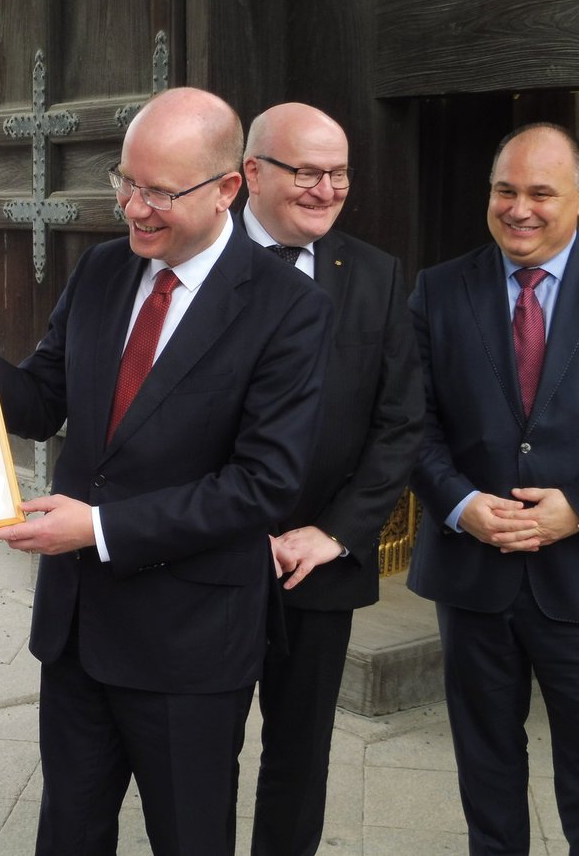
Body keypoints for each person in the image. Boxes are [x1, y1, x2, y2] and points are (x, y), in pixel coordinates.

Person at [0, 87, 334, 856]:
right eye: (126, 183)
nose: (135, 208)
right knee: (68, 834)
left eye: (161, 192)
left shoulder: (288, 307)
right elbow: (43, 398)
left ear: (228, 188)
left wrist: (99, 528)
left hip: (191, 642)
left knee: (189, 836)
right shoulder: (104, 270)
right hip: (77, 631)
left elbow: (262, 484)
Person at [238, 103, 424, 855]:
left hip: (319, 566)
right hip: (210, 557)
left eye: (338, 174)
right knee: (197, 752)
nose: (326, 189)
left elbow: (399, 422)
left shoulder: (374, 275)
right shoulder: (202, 263)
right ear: (251, 172)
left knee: (299, 756)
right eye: (306, 172)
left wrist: (337, 532)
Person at [407, 122, 579, 855]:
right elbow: (409, 423)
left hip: (576, 579)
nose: (520, 208)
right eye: (505, 190)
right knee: (486, 770)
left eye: (542, 193)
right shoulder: (438, 289)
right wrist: (458, 504)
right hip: (473, 578)